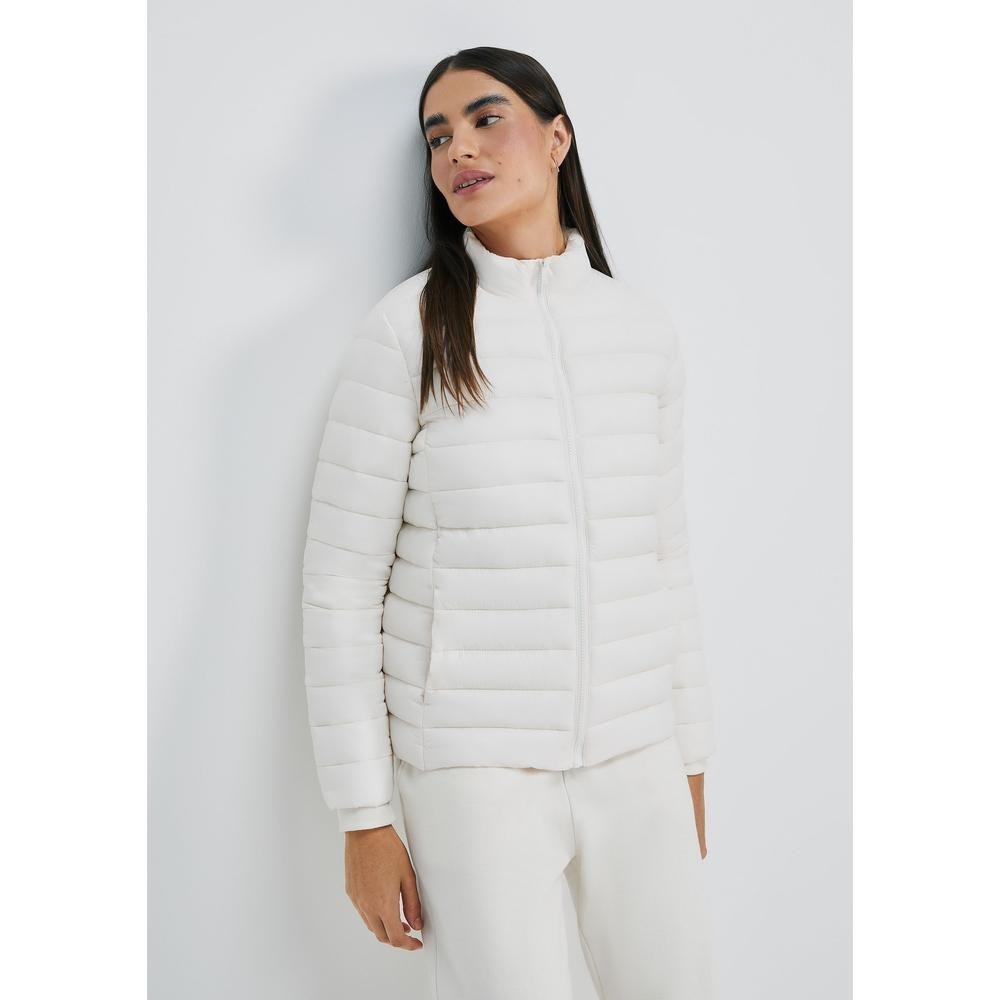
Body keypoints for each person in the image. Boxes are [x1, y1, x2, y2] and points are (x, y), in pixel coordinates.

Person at [301, 45, 718, 1000]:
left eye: (487, 119)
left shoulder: (640, 331)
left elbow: (665, 558)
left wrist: (689, 757)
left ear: (558, 137)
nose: (458, 150)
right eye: (438, 136)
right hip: (472, 773)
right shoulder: (408, 331)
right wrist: (365, 816)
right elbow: (339, 587)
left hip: (638, 754)